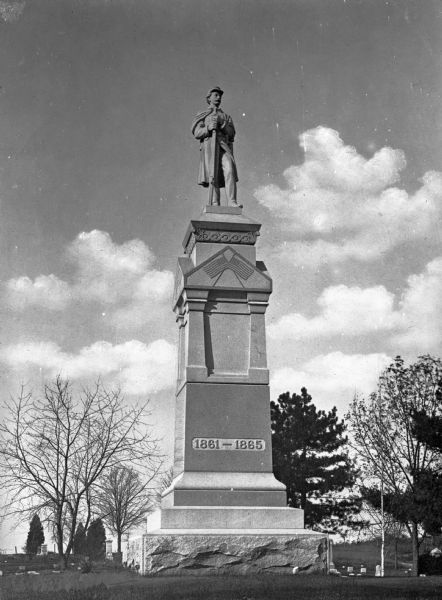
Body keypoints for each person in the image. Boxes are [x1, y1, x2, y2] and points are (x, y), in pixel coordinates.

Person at [191, 86, 240, 206]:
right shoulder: (203, 115)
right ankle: (215, 202)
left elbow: (232, 133)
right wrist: (208, 128)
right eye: (216, 95)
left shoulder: (226, 116)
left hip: (223, 146)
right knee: (213, 173)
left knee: (229, 170)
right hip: (209, 147)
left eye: (220, 96)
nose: (218, 98)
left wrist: (221, 124)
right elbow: (197, 133)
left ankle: (232, 202)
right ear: (209, 98)